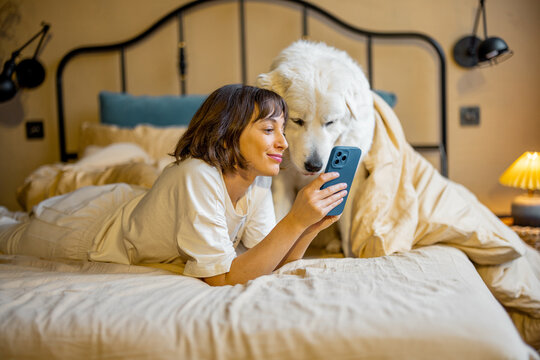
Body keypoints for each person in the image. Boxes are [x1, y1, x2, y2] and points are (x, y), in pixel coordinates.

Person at [0, 84, 347, 286]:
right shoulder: (197, 174)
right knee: (8, 233)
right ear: (227, 136)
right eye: (270, 130)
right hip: (85, 228)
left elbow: (271, 263)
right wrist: (295, 221)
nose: (284, 143)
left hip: (126, 208)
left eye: (283, 130)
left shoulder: (255, 185)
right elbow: (223, 278)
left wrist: (310, 226)